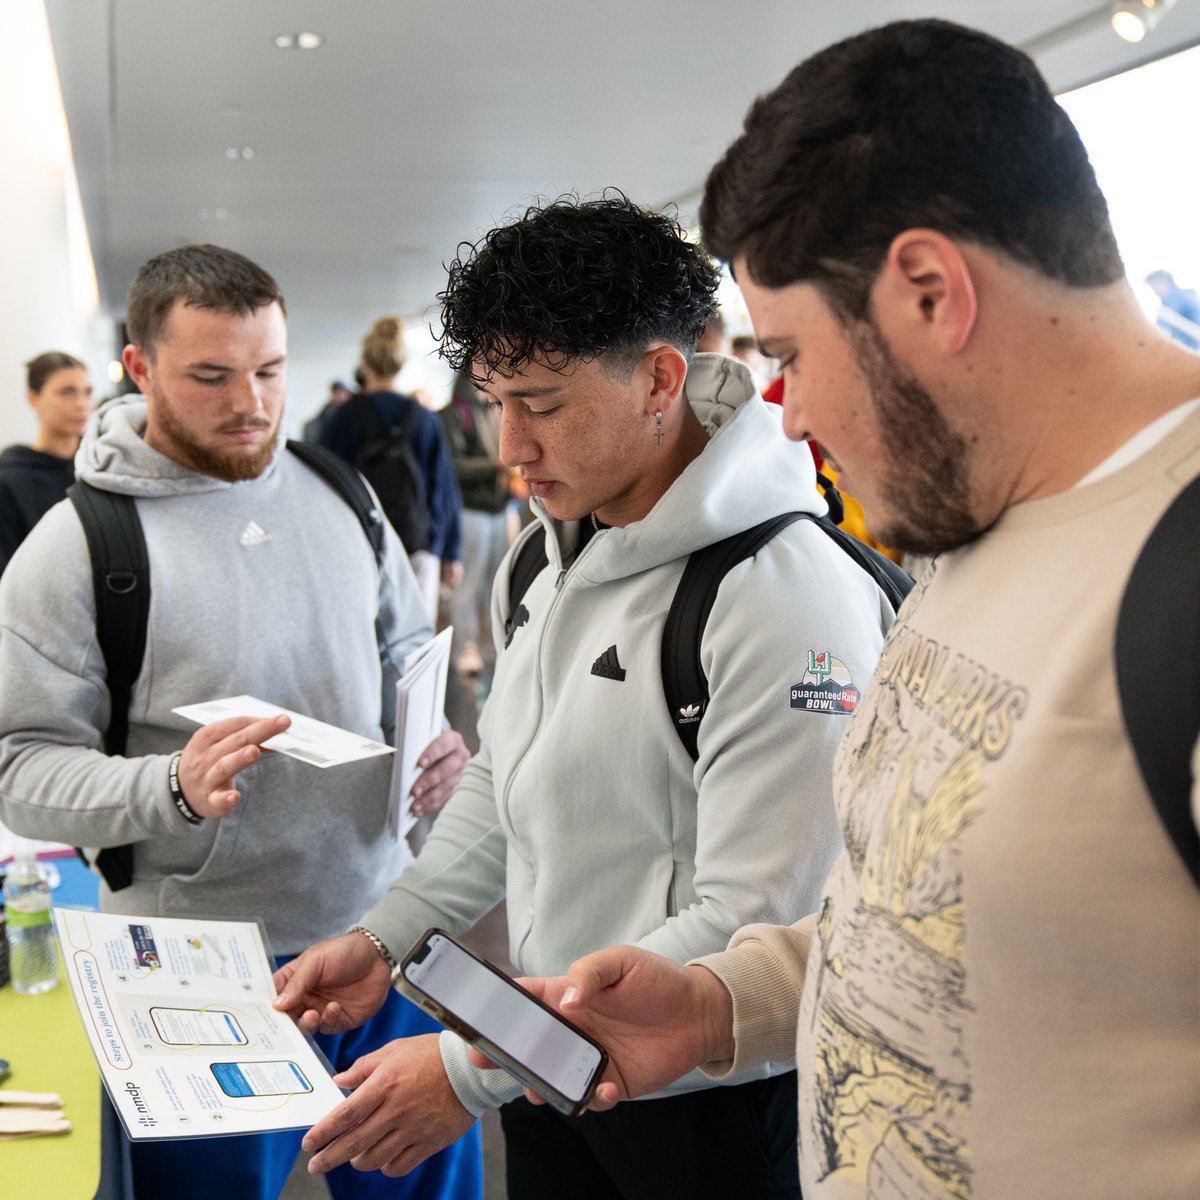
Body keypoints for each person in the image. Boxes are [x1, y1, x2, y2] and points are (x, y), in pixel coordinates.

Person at [492, 20, 1200, 1200]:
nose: (784, 413)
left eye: (789, 356)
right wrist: (727, 1002)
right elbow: (942, 916)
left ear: (930, 291)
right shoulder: (966, 535)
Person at [272, 194, 894, 1196]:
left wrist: (473, 1068)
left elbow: (757, 921)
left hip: (710, 1108)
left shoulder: (781, 597)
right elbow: (507, 785)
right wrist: (388, 935)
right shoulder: (543, 558)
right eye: (491, 400)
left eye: (544, 406)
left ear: (658, 378)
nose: (509, 445)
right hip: (553, 1069)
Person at [0, 244, 481, 1200]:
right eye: (211, 377)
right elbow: (18, 768)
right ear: (139, 370)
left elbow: (397, 652)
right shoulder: (76, 548)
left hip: (378, 927)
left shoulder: (341, 492)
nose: (251, 403)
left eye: (269, 371)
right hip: (194, 964)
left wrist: (436, 743)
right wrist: (167, 785)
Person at [317, 317, 463, 620]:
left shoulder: (343, 417)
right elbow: (444, 489)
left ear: (365, 364)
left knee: (363, 635)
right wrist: (450, 552)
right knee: (417, 642)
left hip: (358, 546)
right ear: (400, 365)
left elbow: (322, 482)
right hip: (418, 545)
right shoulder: (424, 419)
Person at [439, 370, 511, 675]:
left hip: (496, 510)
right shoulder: (452, 414)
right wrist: (493, 467)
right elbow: (453, 467)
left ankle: (491, 648)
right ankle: (464, 651)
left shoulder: (490, 411)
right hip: (470, 512)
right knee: (467, 587)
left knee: (494, 586)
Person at [0, 351, 94, 574]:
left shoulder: (99, 468)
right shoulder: (10, 480)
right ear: (33, 399)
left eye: (88, 392)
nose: (82, 404)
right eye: (67, 393)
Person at [1145, 268, 1200, 350]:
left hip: (1193, 349)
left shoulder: (1172, 300)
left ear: (1164, 282)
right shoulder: (1187, 294)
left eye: (1154, 286)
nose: (1154, 292)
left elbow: (1161, 328)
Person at [303, 377, 355, 442]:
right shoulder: (328, 410)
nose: (339, 395)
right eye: (336, 392)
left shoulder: (353, 412)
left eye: (343, 392)